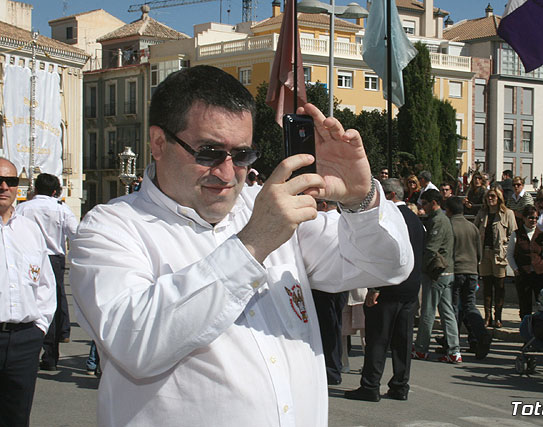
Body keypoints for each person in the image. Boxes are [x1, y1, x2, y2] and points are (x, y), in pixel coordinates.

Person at [69, 66, 413, 426]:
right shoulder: (110, 228)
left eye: (243, 154)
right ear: (158, 143)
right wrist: (252, 245)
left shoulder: (266, 206)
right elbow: (134, 342)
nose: (227, 171)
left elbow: (386, 267)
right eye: (209, 152)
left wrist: (361, 200)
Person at [345, 178, 424, 402]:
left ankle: (370, 385)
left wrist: (374, 287)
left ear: (389, 196)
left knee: (378, 338)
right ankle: (400, 385)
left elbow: (383, 255)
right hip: (410, 288)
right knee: (403, 341)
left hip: (388, 287)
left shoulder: (391, 219)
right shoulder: (415, 220)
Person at [0, 158, 56, 425]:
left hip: (23, 341)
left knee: (17, 417)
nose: (4, 187)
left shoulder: (29, 230)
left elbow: (46, 284)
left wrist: (40, 328)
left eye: (11, 181)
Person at [16, 173, 78, 371]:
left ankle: (29, 351)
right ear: (54, 191)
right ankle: (52, 353)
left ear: (35, 189)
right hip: (54, 258)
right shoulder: (61, 209)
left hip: (28, 256)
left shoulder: (24, 207)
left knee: (28, 299)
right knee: (54, 300)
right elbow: (75, 233)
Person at [412, 189, 461, 363]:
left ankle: (421, 348)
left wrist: (419, 267)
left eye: (424, 203)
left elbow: (431, 249)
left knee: (428, 311)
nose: (422, 207)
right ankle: (454, 350)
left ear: (434, 203)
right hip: (445, 272)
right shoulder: (440, 219)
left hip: (436, 273)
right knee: (447, 311)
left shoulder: (438, 220)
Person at [445, 197, 492, 359]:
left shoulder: (449, 226)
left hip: (456, 270)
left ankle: (452, 341)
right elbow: (478, 252)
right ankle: (481, 334)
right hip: (471, 270)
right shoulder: (472, 227)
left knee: (453, 307)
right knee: (470, 305)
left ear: (449, 211)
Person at [311, 199, 348, 386]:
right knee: (335, 326)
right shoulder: (346, 223)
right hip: (341, 283)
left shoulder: (318, 222)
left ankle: (330, 369)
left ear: (324, 205)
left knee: (325, 329)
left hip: (321, 283)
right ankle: (335, 366)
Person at [474, 188, 517, 328]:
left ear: (499, 197)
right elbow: (475, 230)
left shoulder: (507, 213)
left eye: (493, 196)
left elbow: (513, 233)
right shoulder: (482, 213)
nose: (490, 199)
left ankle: (498, 316)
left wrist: (506, 247)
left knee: (499, 286)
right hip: (484, 253)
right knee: (487, 285)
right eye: (488, 196)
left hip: (499, 254)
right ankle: (487, 317)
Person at [506, 205, 543, 319]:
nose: (533, 220)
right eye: (530, 218)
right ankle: (526, 328)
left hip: (539, 274)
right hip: (523, 274)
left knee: (542, 304)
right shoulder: (516, 234)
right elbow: (509, 254)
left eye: (535, 218)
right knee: (525, 304)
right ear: (524, 218)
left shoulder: (541, 234)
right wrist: (515, 269)